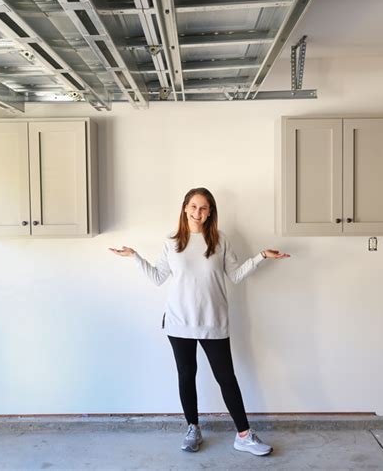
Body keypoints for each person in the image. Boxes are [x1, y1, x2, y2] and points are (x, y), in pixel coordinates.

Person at [109, 187, 290, 456]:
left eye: (203, 208)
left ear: (210, 213)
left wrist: (261, 257)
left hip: (213, 322)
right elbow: (158, 277)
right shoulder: (171, 242)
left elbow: (237, 275)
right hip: (178, 322)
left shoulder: (220, 240)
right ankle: (193, 428)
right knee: (186, 376)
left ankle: (243, 435)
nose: (197, 212)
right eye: (193, 206)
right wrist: (135, 257)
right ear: (185, 208)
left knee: (226, 378)